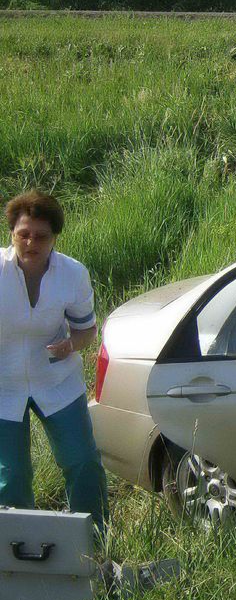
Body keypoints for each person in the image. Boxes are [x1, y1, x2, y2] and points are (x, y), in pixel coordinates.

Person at [0, 190, 108, 537]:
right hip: (4, 385)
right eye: (23, 234)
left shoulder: (72, 273)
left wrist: (69, 345)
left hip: (57, 381)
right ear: (11, 233)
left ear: (55, 238)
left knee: (82, 462)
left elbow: (86, 329)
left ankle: (92, 542)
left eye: (41, 236)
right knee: (12, 474)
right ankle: (21, 552)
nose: (31, 242)